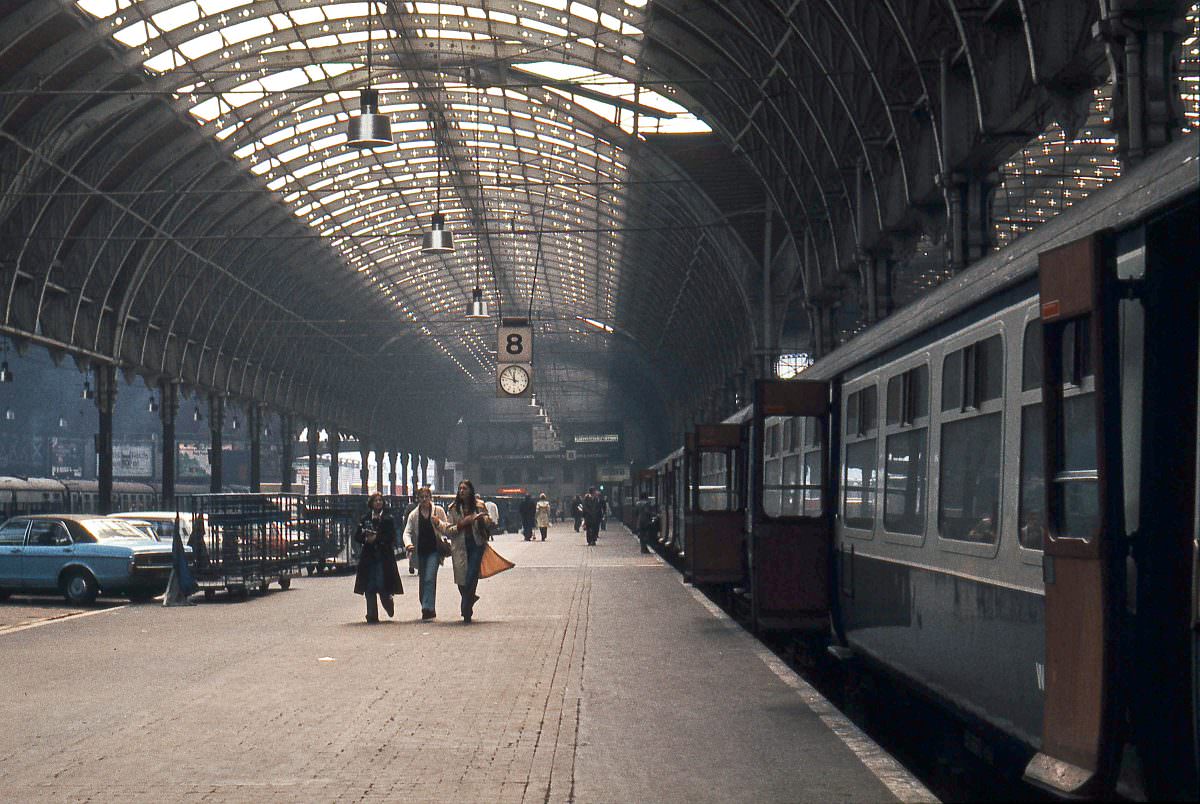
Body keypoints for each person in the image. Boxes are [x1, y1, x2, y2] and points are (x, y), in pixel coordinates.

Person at [445, 479, 493, 623]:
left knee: (471, 574)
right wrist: (461, 524)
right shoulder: (453, 508)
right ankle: (470, 598)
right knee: (461, 579)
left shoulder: (479, 506)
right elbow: (448, 531)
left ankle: (466, 609)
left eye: (465, 488)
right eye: (460, 489)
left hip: (476, 544)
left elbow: (488, 521)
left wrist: (481, 519)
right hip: (459, 546)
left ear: (471, 490)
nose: (462, 491)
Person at [353, 492, 403, 623]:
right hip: (369, 556)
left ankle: (388, 602)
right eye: (376, 500)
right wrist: (365, 538)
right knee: (369, 585)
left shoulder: (388, 518)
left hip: (383, 555)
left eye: (380, 500)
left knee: (382, 584)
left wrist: (377, 538)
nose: (378, 502)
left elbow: (392, 536)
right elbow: (357, 536)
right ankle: (372, 615)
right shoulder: (365, 518)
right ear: (371, 503)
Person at [402, 486, 449, 620]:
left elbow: (447, 528)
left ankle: (426, 608)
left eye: (426, 497)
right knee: (423, 580)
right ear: (418, 499)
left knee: (429, 578)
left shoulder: (438, 511)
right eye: (421, 497)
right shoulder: (414, 515)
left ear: (430, 498)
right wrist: (408, 544)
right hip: (420, 551)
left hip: (434, 550)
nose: (424, 499)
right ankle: (429, 607)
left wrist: (438, 523)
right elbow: (407, 532)